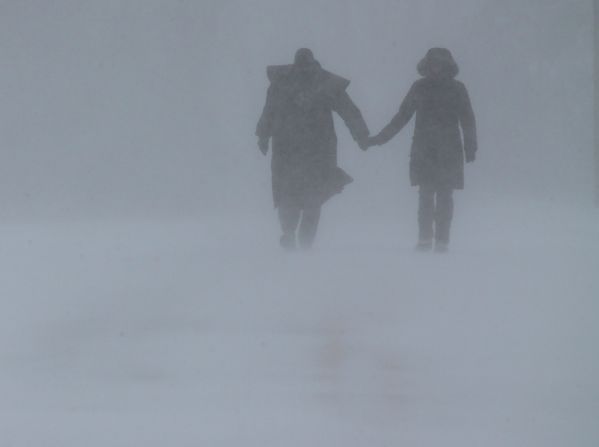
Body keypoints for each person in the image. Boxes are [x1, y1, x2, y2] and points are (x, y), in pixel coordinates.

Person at [256, 48, 370, 250]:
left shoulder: (286, 83)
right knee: (302, 195)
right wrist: (263, 135)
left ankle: (297, 237)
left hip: (303, 149)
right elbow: (270, 110)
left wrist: (264, 136)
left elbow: (349, 111)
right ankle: (295, 237)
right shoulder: (307, 83)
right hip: (307, 149)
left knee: (299, 195)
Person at [367, 48, 477, 252]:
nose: (436, 67)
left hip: (445, 150)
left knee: (444, 196)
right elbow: (402, 117)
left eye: (440, 64)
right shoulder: (421, 87)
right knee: (426, 195)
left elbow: (467, 119)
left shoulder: (455, 88)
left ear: (446, 65)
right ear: (427, 65)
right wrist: (380, 139)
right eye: (433, 63)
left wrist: (471, 146)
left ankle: (442, 241)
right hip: (427, 150)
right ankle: (425, 238)